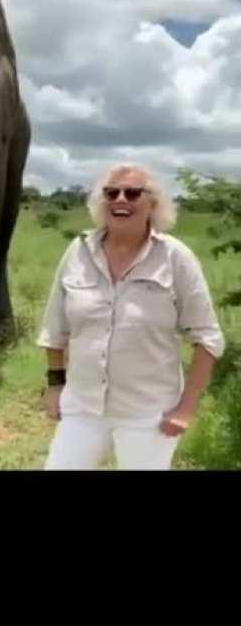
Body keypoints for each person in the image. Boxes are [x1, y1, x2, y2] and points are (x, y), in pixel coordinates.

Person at [37, 163, 225, 470]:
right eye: (111, 193)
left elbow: (208, 337)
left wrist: (186, 408)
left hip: (149, 414)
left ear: (153, 204)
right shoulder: (78, 251)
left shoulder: (175, 257)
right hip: (82, 407)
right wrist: (56, 385)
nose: (120, 199)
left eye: (133, 193)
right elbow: (55, 327)